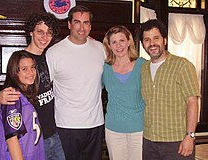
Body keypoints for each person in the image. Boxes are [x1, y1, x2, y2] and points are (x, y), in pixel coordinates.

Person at [0, 13, 65, 160]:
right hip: (35, 140)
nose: (44, 37)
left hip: (54, 133)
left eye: (49, 33)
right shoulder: (20, 60)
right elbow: (10, 92)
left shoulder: (49, 57)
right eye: (40, 31)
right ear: (31, 32)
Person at [46, 5, 105, 160]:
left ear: (90, 26)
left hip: (95, 123)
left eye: (86, 23)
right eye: (77, 22)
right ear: (69, 24)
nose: (81, 27)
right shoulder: (54, 52)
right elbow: (41, 88)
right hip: (66, 125)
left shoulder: (100, 48)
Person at [140, 19, 200, 160]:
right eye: (147, 40)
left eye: (156, 38)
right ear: (143, 43)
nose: (152, 43)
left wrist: (190, 136)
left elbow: (192, 101)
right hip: (150, 141)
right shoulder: (143, 68)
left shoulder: (182, 65)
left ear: (164, 40)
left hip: (177, 142)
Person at [102, 25, 146, 160]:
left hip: (139, 128)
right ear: (109, 45)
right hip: (114, 129)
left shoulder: (143, 65)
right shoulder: (105, 67)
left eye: (122, 40)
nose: (118, 45)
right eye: (114, 42)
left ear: (129, 41)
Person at [0, 50, 45, 159]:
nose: (31, 72)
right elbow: (12, 138)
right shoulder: (12, 97)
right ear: (15, 72)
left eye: (32, 67)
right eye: (24, 69)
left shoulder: (24, 96)